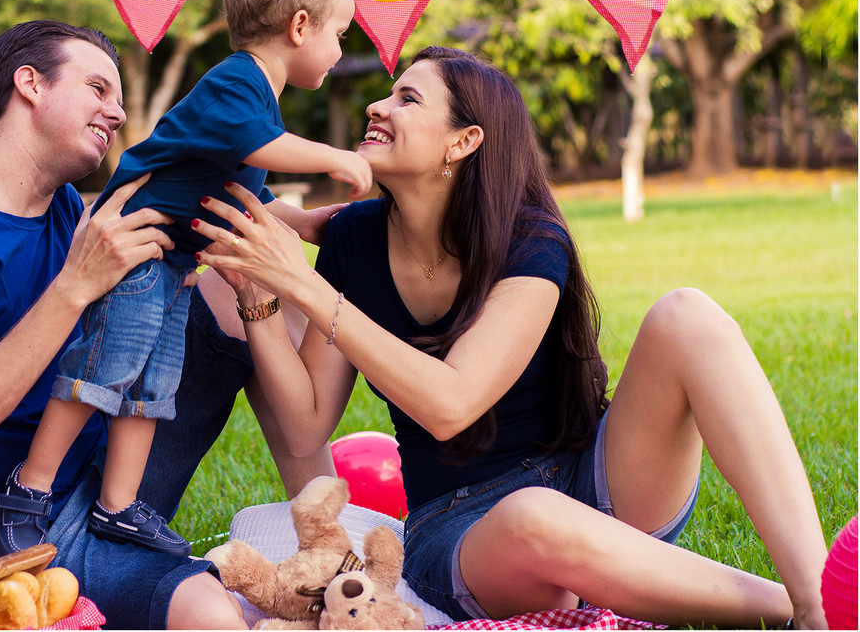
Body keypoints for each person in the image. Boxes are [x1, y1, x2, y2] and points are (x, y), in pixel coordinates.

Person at [194, 46, 830, 629]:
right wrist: (264, 300)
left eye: (408, 99)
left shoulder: (530, 236)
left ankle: (820, 599)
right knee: (533, 516)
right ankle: (785, 609)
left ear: (464, 142)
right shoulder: (354, 240)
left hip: (596, 475)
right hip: (467, 528)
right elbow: (306, 427)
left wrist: (311, 291)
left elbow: (453, 401)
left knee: (687, 315)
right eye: (389, 93)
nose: (377, 106)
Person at [0, 19, 326, 630]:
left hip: (112, 475)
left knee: (245, 282)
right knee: (207, 613)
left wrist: (319, 226)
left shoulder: (63, 208)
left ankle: (328, 534)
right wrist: (74, 286)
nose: (115, 113)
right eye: (97, 89)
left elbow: (205, 192)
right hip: (25, 534)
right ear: (29, 84)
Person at [0, 0, 369, 558]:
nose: (340, 49)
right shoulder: (238, 85)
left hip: (172, 265)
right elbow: (259, 151)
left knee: (153, 385)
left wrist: (303, 222)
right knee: (104, 371)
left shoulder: (256, 103)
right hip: (135, 252)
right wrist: (335, 157)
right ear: (300, 26)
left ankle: (119, 506)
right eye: (339, 33)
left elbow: (245, 190)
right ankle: (29, 488)